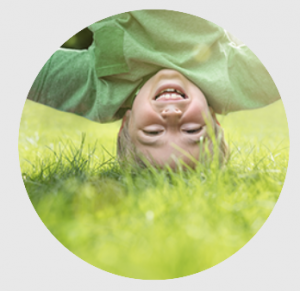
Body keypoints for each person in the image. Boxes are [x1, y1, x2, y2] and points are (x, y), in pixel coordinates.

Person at [27, 10, 280, 169]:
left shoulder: (100, 92)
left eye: (153, 131)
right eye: (192, 130)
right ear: (213, 120)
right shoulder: (238, 84)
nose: (171, 116)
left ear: (126, 123)